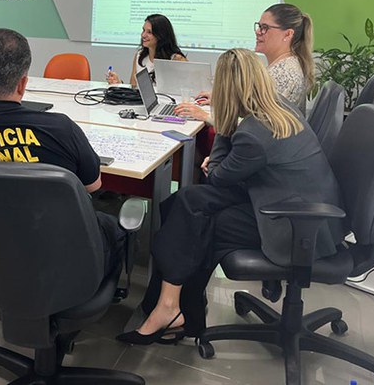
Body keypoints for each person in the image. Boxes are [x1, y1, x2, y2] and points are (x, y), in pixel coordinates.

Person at [117, 48, 344, 345]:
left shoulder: (254, 134)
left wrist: (223, 125)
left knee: (197, 220)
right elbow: (223, 172)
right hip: (287, 202)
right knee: (183, 203)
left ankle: (171, 309)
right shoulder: (277, 107)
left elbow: (219, 177)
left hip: (294, 223)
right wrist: (223, 152)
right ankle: (173, 308)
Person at [0, 28, 125, 272]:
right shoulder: (61, 129)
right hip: (63, 257)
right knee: (112, 226)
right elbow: (93, 185)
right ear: (23, 84)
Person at [175, 3, 315, 123]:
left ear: (288, 34)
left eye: (265, 27)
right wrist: (223, 100)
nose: (258, 32)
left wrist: (205, 116)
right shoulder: (284, 64)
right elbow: (257, 110)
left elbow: (258, 127)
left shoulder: (284, 73)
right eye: (259, 26)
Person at [107, 13, 187, 87]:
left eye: (149, 32)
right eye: (143, 30)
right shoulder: (139, 56)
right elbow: (134, 88)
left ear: (161, 35)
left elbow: (188, 89)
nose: (143, 35)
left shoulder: (177, 59)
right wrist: (119, 84)